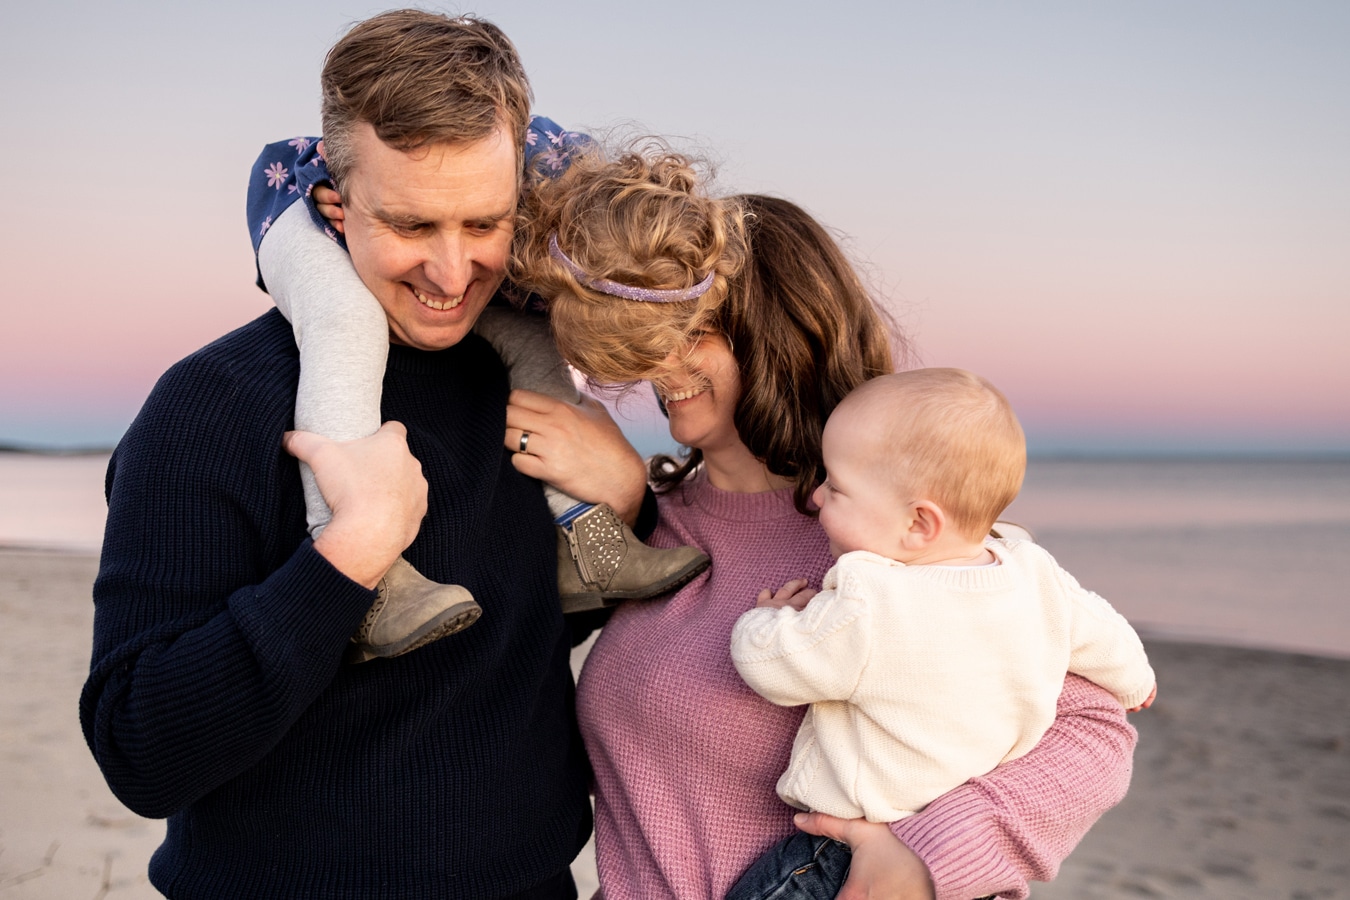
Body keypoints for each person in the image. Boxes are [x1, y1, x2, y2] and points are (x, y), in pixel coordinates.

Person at [79, 12, 641, 897]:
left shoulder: (525, 387)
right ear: (335, 204)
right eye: (412, 226)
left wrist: (627, 505)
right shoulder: (211, 404)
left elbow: (523, 642)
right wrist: (347, 557)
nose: (451, 273)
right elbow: (141, 751)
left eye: (484, 224)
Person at [509, 176, 1140, 899]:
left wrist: (928, 860)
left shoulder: (886, 542)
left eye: (699, 330)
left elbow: (1095, 731)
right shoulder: (655, 526)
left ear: (780, 334)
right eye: (657, 328)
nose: (662, 361)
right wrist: (623, 500)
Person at [250, 110, 706, 664]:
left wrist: (624, 485)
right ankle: (365, 570)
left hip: (453, 230)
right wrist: (337, 189)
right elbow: (394, 169)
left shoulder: (597, 245)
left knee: (532, 340)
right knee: (346, 320)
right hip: (302, 196)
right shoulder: (524, 171)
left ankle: (588, 546)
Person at [724, 368, 1157, 900]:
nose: (815, 497)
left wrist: (768, 619)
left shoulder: (873, 603)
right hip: (956, 868)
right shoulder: (1034, 574)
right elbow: (1106, 634)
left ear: (919, 524)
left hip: (842, 856)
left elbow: (773, 667)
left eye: (835, 487)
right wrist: (1137, 684)